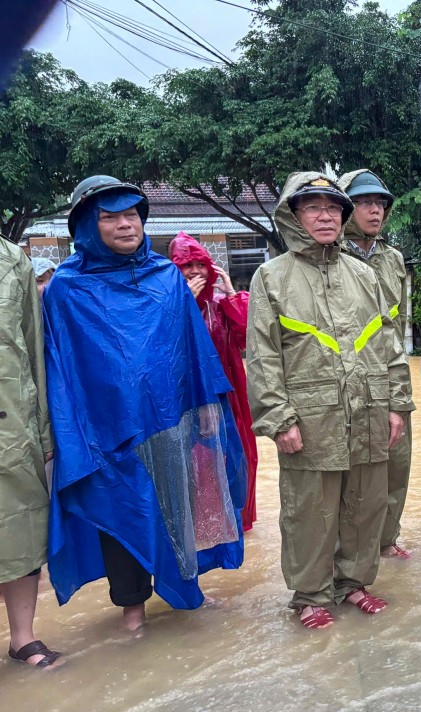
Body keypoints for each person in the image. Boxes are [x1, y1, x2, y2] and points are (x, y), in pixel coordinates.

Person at [44, 176, 246, 631]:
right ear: (87, 227)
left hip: (169, 418)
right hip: (105, 429)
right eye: (110, 217)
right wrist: (66, 433)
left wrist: (210, 406)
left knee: (179, 503)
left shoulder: (165, 277)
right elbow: (59, 367)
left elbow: (193, 347)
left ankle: (186, 587)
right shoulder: (66, 287)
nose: (125, 225)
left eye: (131, 214)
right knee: (121, 507)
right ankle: (132, 608)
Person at [247, 172, 413, 629]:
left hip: (369, 407)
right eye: (313, 207)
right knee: (310, 509)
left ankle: (354, 584)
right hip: (310, 413)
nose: (326, 216)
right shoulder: (271, 278)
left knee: (365, 502)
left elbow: (389, 345)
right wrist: (279, 419)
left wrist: (397, 404)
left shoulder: (363, 274)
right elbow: (261, 356)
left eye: (333, 208)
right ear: (294, 215)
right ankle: (310, 595)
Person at [337, 169, 416, 561]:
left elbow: (396, 326)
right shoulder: (330, 256)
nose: (375, 210)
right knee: (352, 472)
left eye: (380, 203)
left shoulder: (393, 258)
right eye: (365, 202)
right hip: (347, 380)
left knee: (396, 463)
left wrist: (399, 388)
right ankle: (352, 551)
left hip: (391, 373)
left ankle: (386, 540)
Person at [170, 232, 259, 532]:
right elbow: (168, 349)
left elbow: (248, 338)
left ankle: (239, 522)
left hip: (231, 394)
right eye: (186, 265)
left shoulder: (221, 303)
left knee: (239, 457)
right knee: (198, 462)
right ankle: (204, 527)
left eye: (200, 264)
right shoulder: (165, 305)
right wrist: (184, 304)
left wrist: (233, 295)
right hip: (190, 397)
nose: (195, 271)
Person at [1, 238, 61, 668]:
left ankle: (22, 638)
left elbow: (32, 346)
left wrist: (41, 430)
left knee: (19, 529)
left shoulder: (12, 260)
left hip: (11, 421)